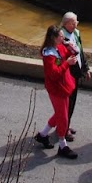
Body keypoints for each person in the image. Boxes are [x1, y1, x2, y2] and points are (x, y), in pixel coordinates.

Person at [35, 24, 78, 159]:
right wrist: (67, 63)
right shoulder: (49, 55)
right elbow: (54, 74)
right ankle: (62, 145)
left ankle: (42, 135)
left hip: (63, 86)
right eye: (61, 36)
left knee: (59, 114)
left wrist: (70, 46)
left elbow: (71, 54)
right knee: (63, 117)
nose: (63, 37)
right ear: (54, 38)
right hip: (57, 88)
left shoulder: (59, 48)